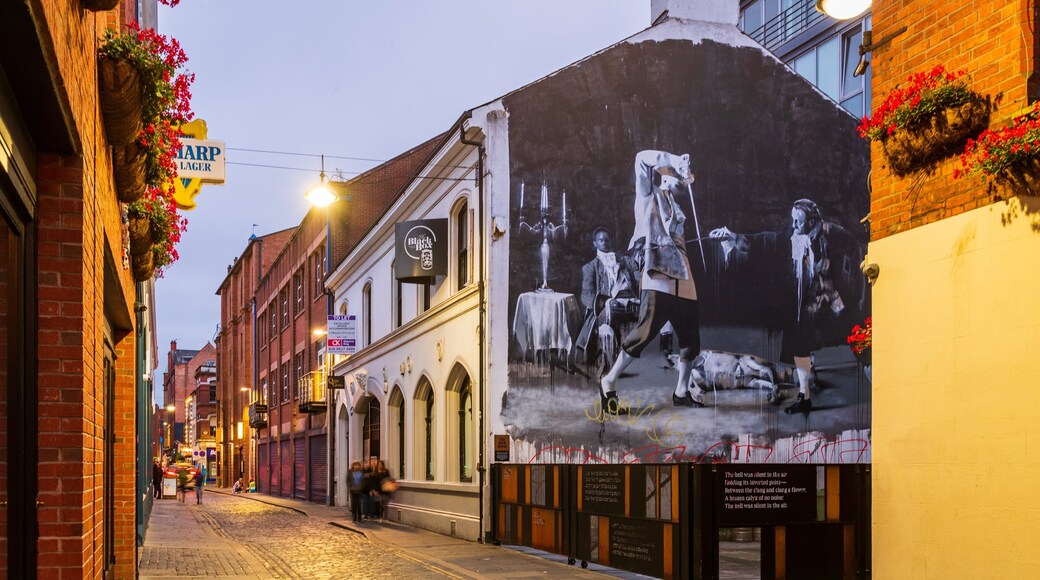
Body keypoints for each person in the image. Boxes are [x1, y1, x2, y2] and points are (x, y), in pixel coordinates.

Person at [709, 198, 866, 413]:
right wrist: (732, 237)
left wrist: (855, 283)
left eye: (799, 221)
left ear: (812, 220)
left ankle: (878, 378)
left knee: (860, 342)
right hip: (812, 305)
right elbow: (765, 240)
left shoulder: (834, 233)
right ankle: (805, 396)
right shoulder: (793, 237)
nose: (794, 225)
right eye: (792, 220)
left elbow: (856, 251)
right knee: (799, 340)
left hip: (838, 303)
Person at [600, 167, 703, 413]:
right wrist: (673, 159)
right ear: (668, 177)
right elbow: (640, 161)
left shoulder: (677, 206)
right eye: (682, 179)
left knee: (691, 338)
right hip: (658, 276)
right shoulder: (649, 195)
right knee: (645, 333)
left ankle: (681, 391)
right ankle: (609, 381)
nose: (686, 184)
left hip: (683, 276)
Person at [575, 227, 640, 370]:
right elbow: (586, 295)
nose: (604, 242)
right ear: (595, 243)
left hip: (628, 303)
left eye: (606, 240)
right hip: (603, 308)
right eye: (600, 240)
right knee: (608, 318)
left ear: (610, 241)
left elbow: (638, 281)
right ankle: (608, 362)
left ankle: (623, 359)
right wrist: (604, 302)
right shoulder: (590, 267)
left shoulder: (626, 261)